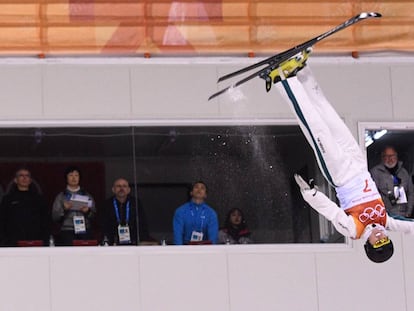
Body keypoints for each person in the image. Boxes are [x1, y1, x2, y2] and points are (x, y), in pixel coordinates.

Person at [271, 57, 414, 263]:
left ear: (369, 244)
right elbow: (410, 227)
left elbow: (331, 211)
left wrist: (311, 194)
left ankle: (282, 80)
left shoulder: (353, 229)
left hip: (341, 174)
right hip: (358, 164)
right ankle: (301, 71)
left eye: (378, 242)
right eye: (386, 240)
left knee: (316, 126)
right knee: (331, 116)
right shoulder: (387, 222)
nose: (381, 236)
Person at [0, 168, 49, 246]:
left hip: (35, 239)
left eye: (27, 176)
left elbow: (45, 220)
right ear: (15, 180)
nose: (24, 178)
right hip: (12, 241)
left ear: (30, 180)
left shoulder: (39, 199)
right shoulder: (8, 199)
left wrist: (45, 240)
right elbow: (2, 220)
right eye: (21, 175)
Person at [52, 166, 96, 246]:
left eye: (76, 175)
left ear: (79, 178)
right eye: (71, 175)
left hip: (84, 230)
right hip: (67, 231)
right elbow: (55, 217)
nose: (74, 178)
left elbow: (94, 215)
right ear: (66, 178)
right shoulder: (61, 196)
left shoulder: (87, 196)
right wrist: (64, 210)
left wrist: (87, 211)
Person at [101, 178, 151, 245]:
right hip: (113, 243)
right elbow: (104, 225)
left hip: (133, 242)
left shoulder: (135, 203)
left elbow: (142, 223)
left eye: (124, 186)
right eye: (118, 186)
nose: (121, 189)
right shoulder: (107, 204)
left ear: (128, 190)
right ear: (113, 189)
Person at [370, 146, 414, 218]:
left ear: (396, 156)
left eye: (392, 156)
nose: (390, 159)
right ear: (382, 157)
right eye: (387, 156)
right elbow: (372, 195)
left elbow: (411, 192)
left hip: (403, 214)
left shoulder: (403, 172)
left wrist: (409, 211)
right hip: (386, 216)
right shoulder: (375, 172)